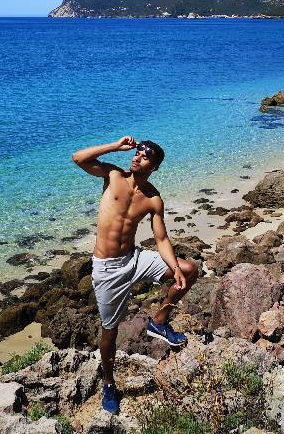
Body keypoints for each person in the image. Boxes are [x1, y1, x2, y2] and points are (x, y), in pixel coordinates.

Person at [72, 136, 199, 415]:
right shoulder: (113, 175)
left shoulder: (154, 199)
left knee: (190, 270)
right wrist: (115, 147)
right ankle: (108, 384)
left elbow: (162, 238)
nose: (137, 157)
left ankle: (159, 321)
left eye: (144, 156)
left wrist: (175, 268)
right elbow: (79, 158)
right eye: (137, 152)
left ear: (154, 166)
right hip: (107, 269)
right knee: (110, 331)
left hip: (135, 258)